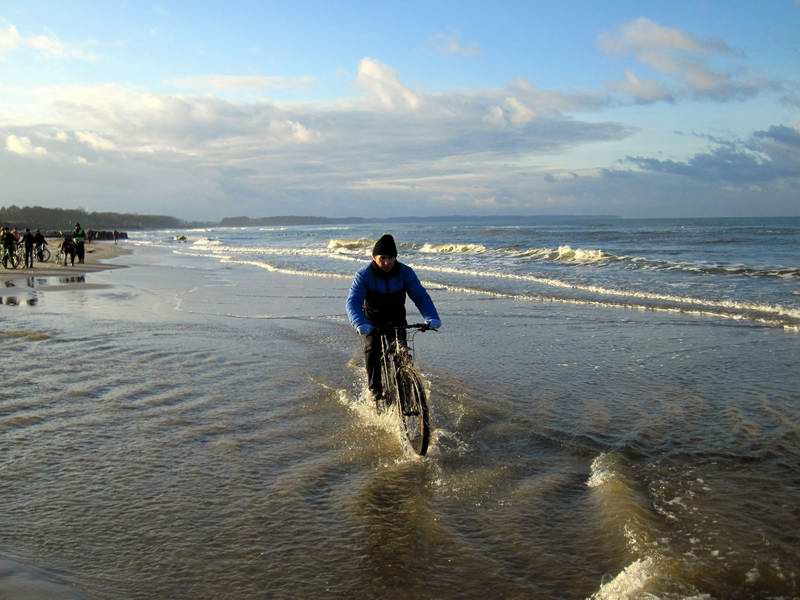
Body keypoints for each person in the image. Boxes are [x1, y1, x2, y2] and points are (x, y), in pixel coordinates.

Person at [346, 234, 441, 405]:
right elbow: (352, 302)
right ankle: (375, 390)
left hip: (397, 319)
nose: (387, 262)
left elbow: (420, 296)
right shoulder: (364, 275)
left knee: (402, 353)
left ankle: (406, 389)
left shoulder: (405, 272)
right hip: (372, 322)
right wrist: (360, 323)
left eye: (391, 258)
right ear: (374, 257)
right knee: (372, 350)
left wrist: (431, 317)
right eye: (382, 258)